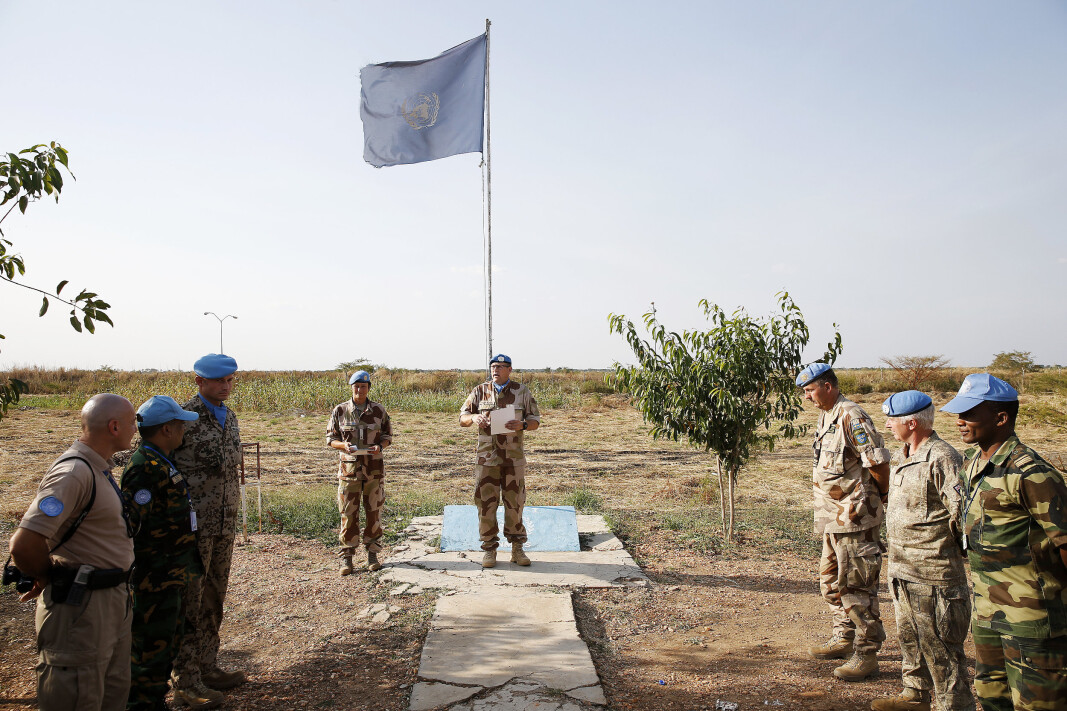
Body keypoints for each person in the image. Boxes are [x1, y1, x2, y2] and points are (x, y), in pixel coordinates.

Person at [941, 373, 1067, 711]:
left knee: (1038, 705)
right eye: (958, 413)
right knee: (993, 698)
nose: (960, 422)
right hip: (988, 612)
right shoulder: (973, 465)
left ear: (1001, 418)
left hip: (1033, 621)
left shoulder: (1031, 473)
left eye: (969, 414)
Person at [8, 393, 137, 711]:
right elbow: (24, 544)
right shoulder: (74, 473)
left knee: (110, 693)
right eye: (133, 422)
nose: (136, 429)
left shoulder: (97, 469)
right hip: (82, 609)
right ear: (115, 426)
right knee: (76, 695)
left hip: (109, 601)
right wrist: (45, 574)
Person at [871, 391, 974, 711]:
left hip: (934, 574)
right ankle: (914, 694)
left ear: (912, 423)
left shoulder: (943, 457)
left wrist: (947, 550)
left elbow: (962, 515)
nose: (886, 425)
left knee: (942, 651)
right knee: (910, 638)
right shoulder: (902, 454)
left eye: (892, 420)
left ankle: (954, 706)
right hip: (903, 570)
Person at [797, 363, 891, 681]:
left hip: (855, 517)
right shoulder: (827, 415)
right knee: (831, 584)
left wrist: (881, 496)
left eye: (810, 390)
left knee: (857, 589)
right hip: (832, 516)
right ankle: (843, 638)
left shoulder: (852, 415)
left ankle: (866, 655)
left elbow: (877, 462)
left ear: (828, 386)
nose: (807, 397)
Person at [171, 354, 245, 708]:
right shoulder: (180, 419)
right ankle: (186, 681)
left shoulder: (229, 417)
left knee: (215, 596)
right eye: (219, 381)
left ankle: (208, 666)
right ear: (198, 381)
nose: (226, 387)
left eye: (230, 380)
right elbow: (160, 470)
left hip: (223, 526)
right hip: (193, 529)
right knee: (190, 601)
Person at [121, 396, 204, 711]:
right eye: (180, 424)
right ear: (167, 429)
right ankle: (142, 703)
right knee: (149, 650)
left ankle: (154, 700)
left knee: (166, 643)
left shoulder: (161, 460)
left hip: (171, 574)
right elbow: (131, 526)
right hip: (154, 578)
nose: (184, 429)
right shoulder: (145, 468)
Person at [459, 353, 541, 569]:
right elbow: (462, 417)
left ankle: (516, 548)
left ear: (510, 370)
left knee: (515, 503)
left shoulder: (521, 391)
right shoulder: (480, 391)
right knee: (486, 504)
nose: (495, 370)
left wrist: (522, 425)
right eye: (493, 366)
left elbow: (535, 420)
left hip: (513, 458)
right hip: (487, 458)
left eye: (501, 367)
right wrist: (474, 418)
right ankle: (489, 549)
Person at [326, 370, 393, 575]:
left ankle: (373, 554)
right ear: (351, 387)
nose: (359, 389)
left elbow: (388, 435)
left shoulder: (378, 410)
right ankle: (347, 558)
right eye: (356, 386)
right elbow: (330, 438)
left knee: (374, 513)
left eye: (363, 386)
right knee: (348, 515)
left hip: (373, 471)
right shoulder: (340, 411)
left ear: (368, 388)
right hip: (349, 471)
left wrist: (380, 447)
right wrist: (343, 446)